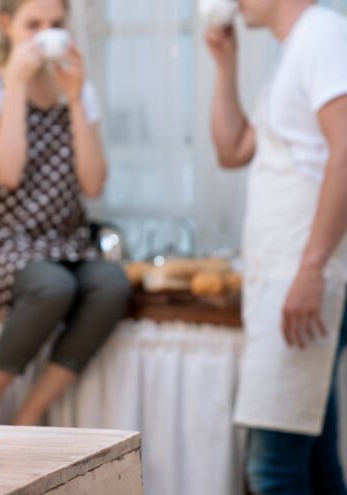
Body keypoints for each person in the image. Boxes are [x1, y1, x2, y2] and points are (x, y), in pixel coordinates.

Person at [0, 0, 131, 426]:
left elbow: (93, 184)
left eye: (55, 25)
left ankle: (30, 414)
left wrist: (74, 99)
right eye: (33, 24)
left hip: (62, 242)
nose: (45, 34)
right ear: (7, 25)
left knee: (111, 284)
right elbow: (7, 172)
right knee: (51, 287)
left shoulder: (78, 91)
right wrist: (16, 82)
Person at [206, 0, 347, 492]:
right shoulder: (297, 48)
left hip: (304, 277)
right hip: (288, 275)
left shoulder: (323, 35)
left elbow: (346, 149)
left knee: (272, 470)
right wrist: (226, 65)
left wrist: (310, 271)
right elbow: (232, 150)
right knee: (315, 461)